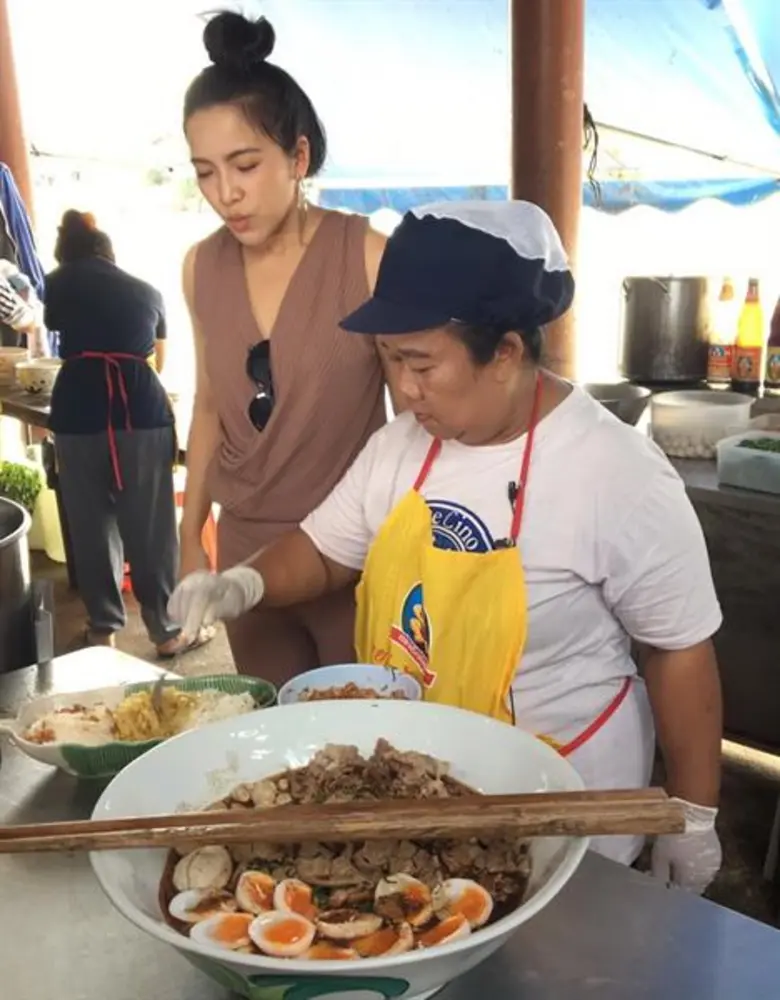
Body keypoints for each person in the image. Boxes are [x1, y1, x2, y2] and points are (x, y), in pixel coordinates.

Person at [171, 200, 724, 892]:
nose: (403, 388)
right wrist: (242, 585)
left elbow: (680, 650)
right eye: (388, 360)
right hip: (429, 786)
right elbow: (321, 552)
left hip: (565, 802)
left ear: (507, 353)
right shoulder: (400, 448)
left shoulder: (615, 473)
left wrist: (694, 815)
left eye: (421, 364)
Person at [179, 11, 397, 684]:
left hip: (353, 550)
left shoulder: (366, 256)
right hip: (246, 553)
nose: (227, 193)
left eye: (246, 165)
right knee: (273, 745)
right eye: (206, 172)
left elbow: (416, 416)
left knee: (366, 749)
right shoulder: (199, 267)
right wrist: (191, 542)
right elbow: (212, 406)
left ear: (299, 157)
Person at [45, 210, 210, 656]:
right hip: (140, 410)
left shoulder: (59, 281)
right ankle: (168, 631)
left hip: (79, 410)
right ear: (110, 254)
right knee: (152, 524)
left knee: (91, 522)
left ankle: (103, 630)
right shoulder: (147, 291)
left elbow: (47, 329)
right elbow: (158, 358)